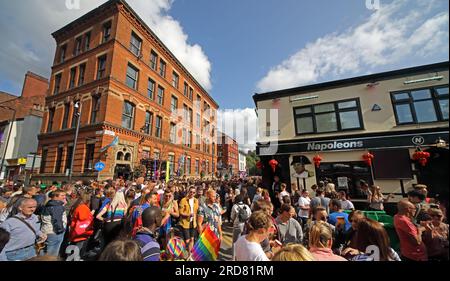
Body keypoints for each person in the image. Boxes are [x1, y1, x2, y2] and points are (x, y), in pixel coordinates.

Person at [40, 190, 67, 257]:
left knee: (46, 251)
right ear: (55, 196)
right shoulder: (56, 206)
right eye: (62, 195)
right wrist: (60, 231)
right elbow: (56, 221)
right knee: (52, 254)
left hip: (47, 231)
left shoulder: (49, 204)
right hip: (54, 232)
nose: (64, 197)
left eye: (64, 195)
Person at [68, 192, 94, 260]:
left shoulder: (76, 205)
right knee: (78, 248)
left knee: (74, 246)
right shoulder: (83, 207)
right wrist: (90, 214)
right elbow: (83, 218)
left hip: (75, 229)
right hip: (81, 232)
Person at [178, 186, 199, 252]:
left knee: (192, 239)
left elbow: (196, 211)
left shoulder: (196, 200)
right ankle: (184, 251)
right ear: (188, 192)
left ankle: (190, 254)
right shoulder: (183, 200)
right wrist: (188, 215)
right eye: (191, 192)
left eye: (193, 192)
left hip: (193, 222)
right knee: (187, 241)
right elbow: (180, 212)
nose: (192, 193)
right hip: (185, 223)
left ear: (195, 193)